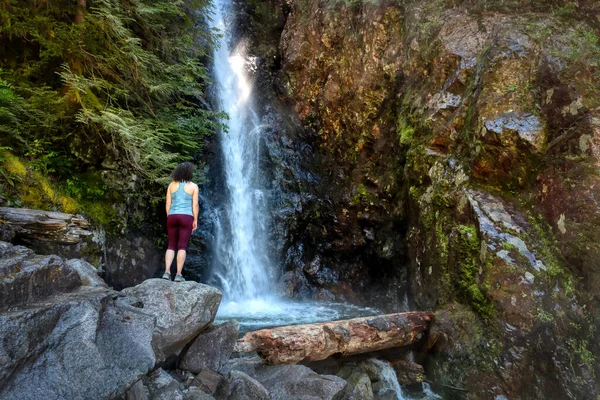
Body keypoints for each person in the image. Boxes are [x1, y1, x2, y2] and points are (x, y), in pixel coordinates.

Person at [163, 161, 199, 282]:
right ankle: (178, 274)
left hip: (172, 216)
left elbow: (168, 203)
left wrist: (170, 215)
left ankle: (167, 272)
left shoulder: (171, 185)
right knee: (182, 246)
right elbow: (195, 204)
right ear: (189, 172)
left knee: (171, 245)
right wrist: (195, 219)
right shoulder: (193, 186)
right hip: (186, 217)